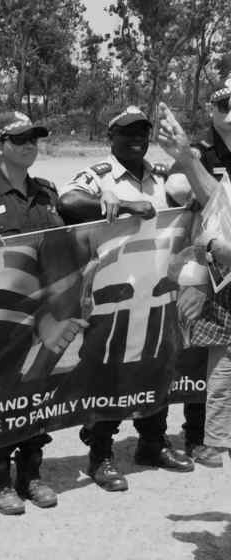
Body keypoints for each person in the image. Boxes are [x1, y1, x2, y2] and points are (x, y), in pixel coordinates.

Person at [58, 106, 194, 492]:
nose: (137, 139)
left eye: (142, 133)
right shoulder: (98, 176)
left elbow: (192, 197)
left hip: (158, 293)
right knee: (108, 370)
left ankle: (152, 442)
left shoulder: (161, 176)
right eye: (128, 132)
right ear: (110, 138)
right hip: (111, 296)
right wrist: (120, 205)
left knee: (158, 363)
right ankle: (100, 453)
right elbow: (67, 204)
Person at [0, 111, 68, 515]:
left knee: (38, 389)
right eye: (20, 138)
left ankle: (31, 472)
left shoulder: (47, 191)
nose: (29, 145)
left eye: (34, 138)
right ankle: (0, 479)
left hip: (43, 313)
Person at [159, 78, 231, 467]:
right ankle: (198, 434)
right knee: (203, 352)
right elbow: (180, 193)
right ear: (211, 111)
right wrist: (186, 159)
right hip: (207, 272)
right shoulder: (199, 152)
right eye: (224, 104)